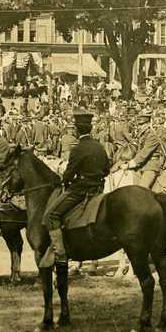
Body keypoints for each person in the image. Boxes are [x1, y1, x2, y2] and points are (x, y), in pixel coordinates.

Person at [41, 109, 111, 268]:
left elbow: (68, 174)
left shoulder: (78, 148)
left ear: (77, 130)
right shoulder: (100, 146)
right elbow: (107, 170)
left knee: (51, 215)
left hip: (80, 190)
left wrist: (64, 180)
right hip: (98, 188)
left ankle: (60, 254)